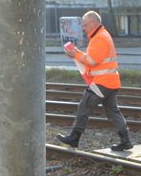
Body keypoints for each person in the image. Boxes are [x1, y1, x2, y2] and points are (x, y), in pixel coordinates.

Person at [56, 10, 133, 151]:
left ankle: (74, 138)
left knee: (84, 107)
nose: (83, 28)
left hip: (102, 83)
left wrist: (75, 54)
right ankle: (125, 140)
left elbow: (91, 61)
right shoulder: (102, 36)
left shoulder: (99, 38)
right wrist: (77, 54)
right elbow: (93, 58)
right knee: (113, 112)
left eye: (85, 25)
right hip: (110, 82)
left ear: (93, 23)